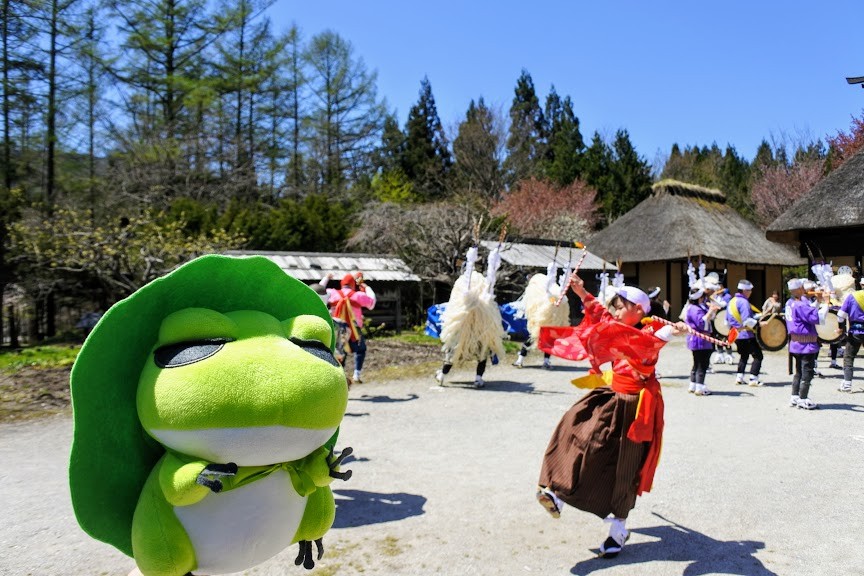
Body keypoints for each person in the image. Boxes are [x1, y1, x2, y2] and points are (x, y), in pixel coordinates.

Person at [535, 274, 684, 558]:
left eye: (620, 306)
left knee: (623, 468)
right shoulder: (616, 325)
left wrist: (672, 331)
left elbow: (650, 343)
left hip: (635, 407)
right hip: (610, 397)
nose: (614, 312)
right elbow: (599, 313)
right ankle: (556, 492)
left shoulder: (649, 334)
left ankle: (618, 530)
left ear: (638, 310)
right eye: (614, 307)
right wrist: (581, 292)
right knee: (575, 431)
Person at [436, 247, 506, 389]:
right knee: (483, 349)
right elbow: (489, 297)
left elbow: (456, 302)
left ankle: (442, 375)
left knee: (454, 348)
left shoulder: (462, 282)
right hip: (481, 324)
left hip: (463, 323)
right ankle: (478, 378)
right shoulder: (480, 281)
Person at [784, 278, 830, 409]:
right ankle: (803, 399)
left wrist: (818, 301)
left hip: (795, 343)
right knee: (807, 373)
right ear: (799, 289)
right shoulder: (800, 304)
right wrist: (826, 303)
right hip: (806, 345)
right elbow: (817, 318)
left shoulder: (790, 302)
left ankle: (795, 396)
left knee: (798, 372)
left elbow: (808, 311)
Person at [325, 271, 376, 385]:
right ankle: (356, 374)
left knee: (339, 354)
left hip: (338, 329)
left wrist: (326, 278)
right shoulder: (358, 295)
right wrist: (366, 287)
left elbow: (318, 293)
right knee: (361, 350)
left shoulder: (332, 293)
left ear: (342, 284)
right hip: (354, 330)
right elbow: (372, 303)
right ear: (353, 284)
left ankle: (339, 378)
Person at [513, 271, 569, 370]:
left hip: (548, 321)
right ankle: (521, 360)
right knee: (533, 338)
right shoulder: (539, 294)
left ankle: (543, 361)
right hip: (541, 321)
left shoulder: (549, 293)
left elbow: (554, 301)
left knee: (544, 340)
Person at [726, 279, 763, 386]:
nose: (750, 292)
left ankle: (739, 377)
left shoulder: (731, 302)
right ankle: (753, 378)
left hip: (736, 334)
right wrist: (758, 324)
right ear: (744, 291)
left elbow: (726, 321)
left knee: (744, 356)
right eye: (749, 290)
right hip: (746, 334)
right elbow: (747, 320)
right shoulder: (744, 302)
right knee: (758, 356)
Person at [685, 287, 721, 396]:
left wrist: (712, 310)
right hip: (700, 339)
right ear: (700, 297)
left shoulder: (695, 307)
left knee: (697, 363)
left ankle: (693, 385)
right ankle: (699, 387)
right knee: (702, 363)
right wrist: (710, 312)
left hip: (697, 339)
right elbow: (702, 324)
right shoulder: (695, 309)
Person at [836, 276, 864, 393]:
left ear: (861, 285)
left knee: (848, 356)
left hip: (856, 332)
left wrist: (841, 329)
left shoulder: (852, 296)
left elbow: (841, 315)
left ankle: (847, 384)